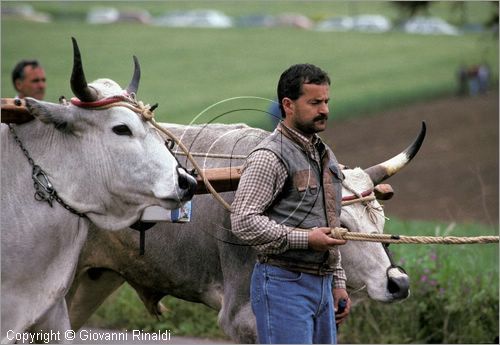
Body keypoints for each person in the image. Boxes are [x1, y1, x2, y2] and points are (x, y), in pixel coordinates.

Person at [231, 63, 351, 344]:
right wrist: (306, 239)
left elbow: (330, 223)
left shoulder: (325, 154)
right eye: (314, 102)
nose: (325, 110)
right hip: (283, 284)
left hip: (322, 285)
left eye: (326, 101)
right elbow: (243, 221)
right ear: (288, 105)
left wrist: (338, 283)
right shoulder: (269, 156)